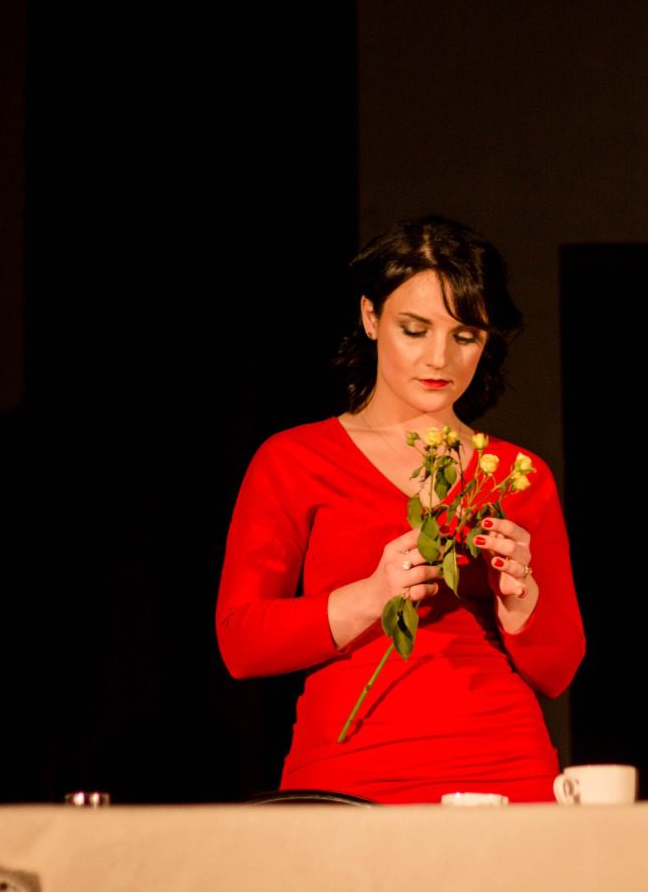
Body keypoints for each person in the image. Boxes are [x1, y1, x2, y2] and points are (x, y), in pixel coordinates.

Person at [215, 215, 585, 804]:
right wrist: (372, 595)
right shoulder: (295, 459)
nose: (439, 359)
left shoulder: (519, 473)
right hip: (351, 774)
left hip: (505, 771)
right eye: (415, 330)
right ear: (370, 317)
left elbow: (558, 670)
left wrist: (521, 602)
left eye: (465, 337)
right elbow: (241, 642)